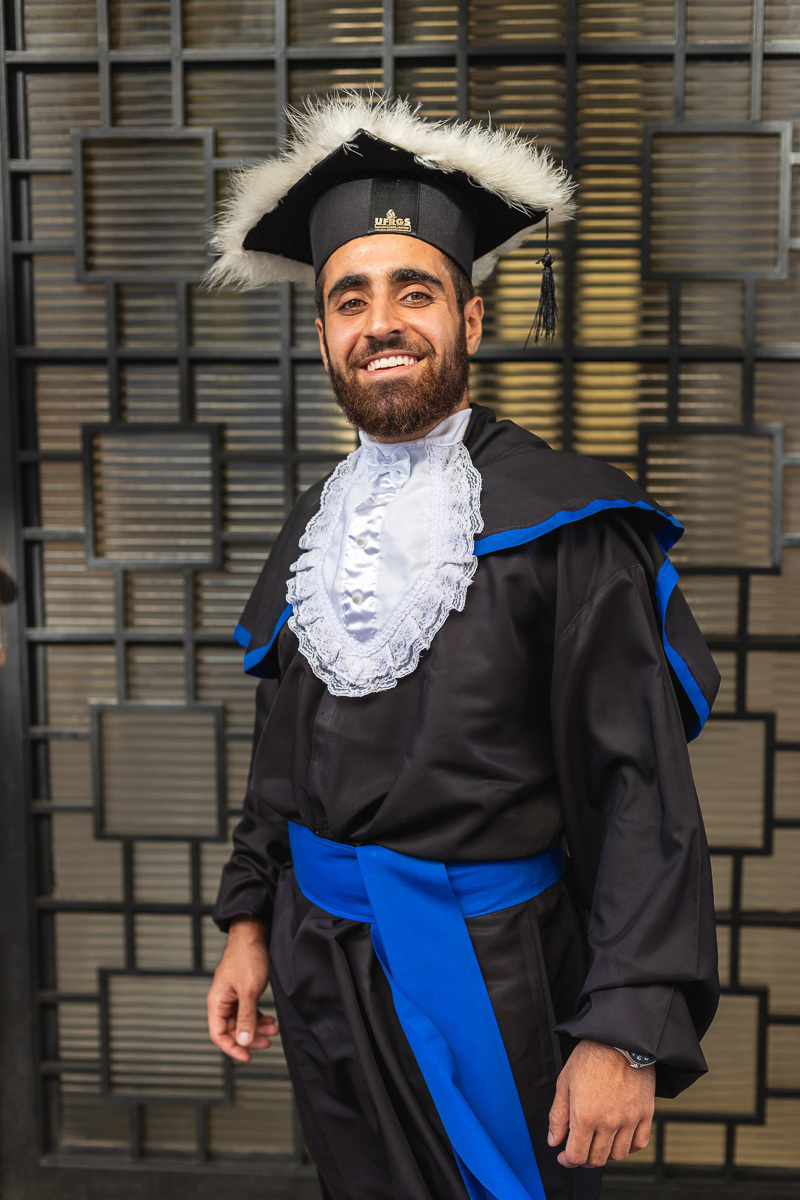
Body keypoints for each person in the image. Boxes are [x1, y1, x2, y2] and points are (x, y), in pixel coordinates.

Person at [205, 94, 720, 1200]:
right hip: (319, 964)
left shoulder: (568, 526)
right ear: (323, 334)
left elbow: (640, 790)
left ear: (469, 320)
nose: (380, 322)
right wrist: (248, 919)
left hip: (494, 972)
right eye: (350, 299)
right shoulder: (311, 531)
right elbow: (277, 759)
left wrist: (625, 1027)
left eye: (414, 291)